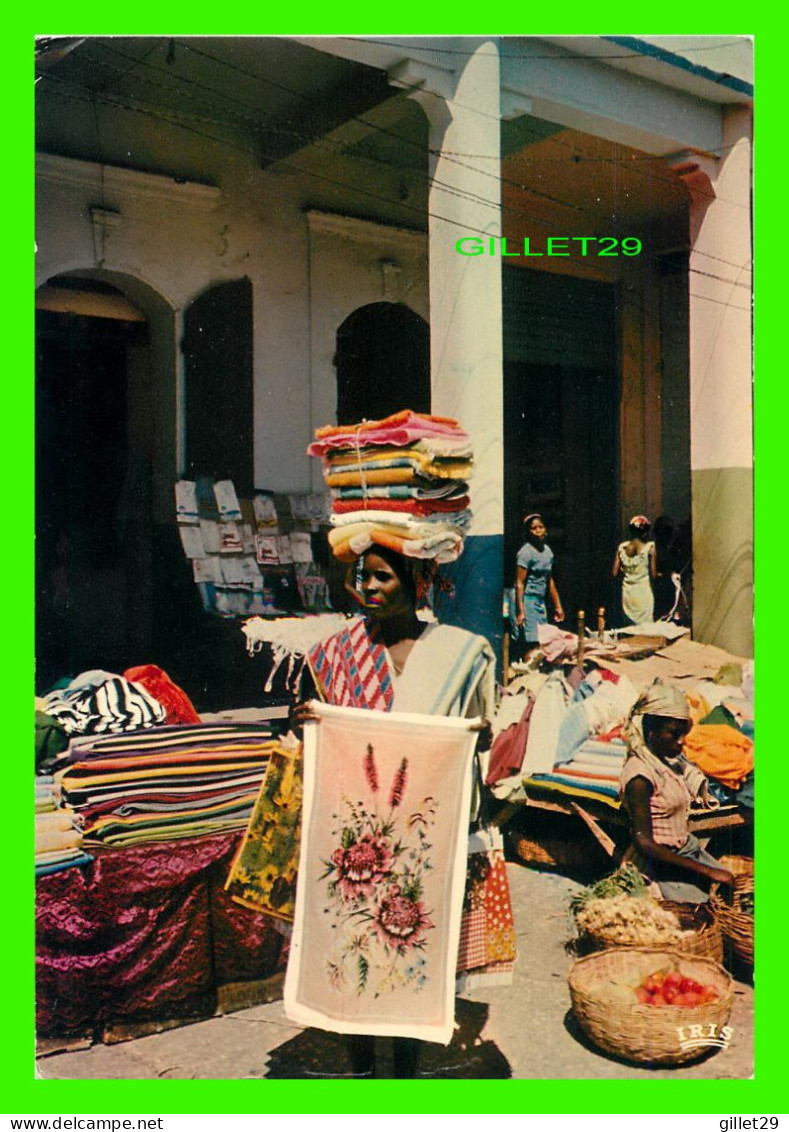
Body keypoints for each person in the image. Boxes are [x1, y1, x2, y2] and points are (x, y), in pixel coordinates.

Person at [291, 542, 499, 1078]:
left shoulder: (458, 653)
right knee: (355, 939)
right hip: (356, 839)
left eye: (383, 576)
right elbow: (317, 731)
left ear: (417, 582)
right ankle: (361, 1068)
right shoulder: (337, 655)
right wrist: (309, 723)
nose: (370, 588)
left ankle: (403, 1070)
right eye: (363, 577)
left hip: (421, 838)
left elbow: (479, 732)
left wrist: (462, 740)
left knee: (411, 949)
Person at [621, 680, 734, 903]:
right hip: (659, 865)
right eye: (674, 734)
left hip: (685, 850)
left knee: (733, 885)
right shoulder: (640, 776)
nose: (682, 741)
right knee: (706, 908)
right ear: (651, 732)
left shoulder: (667, 763)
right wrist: (706, 871)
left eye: (683, 733)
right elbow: (643, 842)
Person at [510, 512, 564, 659]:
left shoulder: (548, 552)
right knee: (532, 642)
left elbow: (549, 580)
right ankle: (530, 674)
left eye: (540, 527)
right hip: (527, 600)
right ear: (529, 532)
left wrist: (558, 606)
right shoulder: (525, 553)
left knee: (543, 641)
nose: (538, 530)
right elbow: (519, 583)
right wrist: (521, 611)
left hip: (541, 601)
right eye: (534, 528)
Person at [612, 514, 656, 626]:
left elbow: (614, 573)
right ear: (645, 532)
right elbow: (654, 574)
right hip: (643, 592)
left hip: (628, 593)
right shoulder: (649, 548)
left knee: (629, 627)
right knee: (645, 627)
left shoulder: (622, 548)